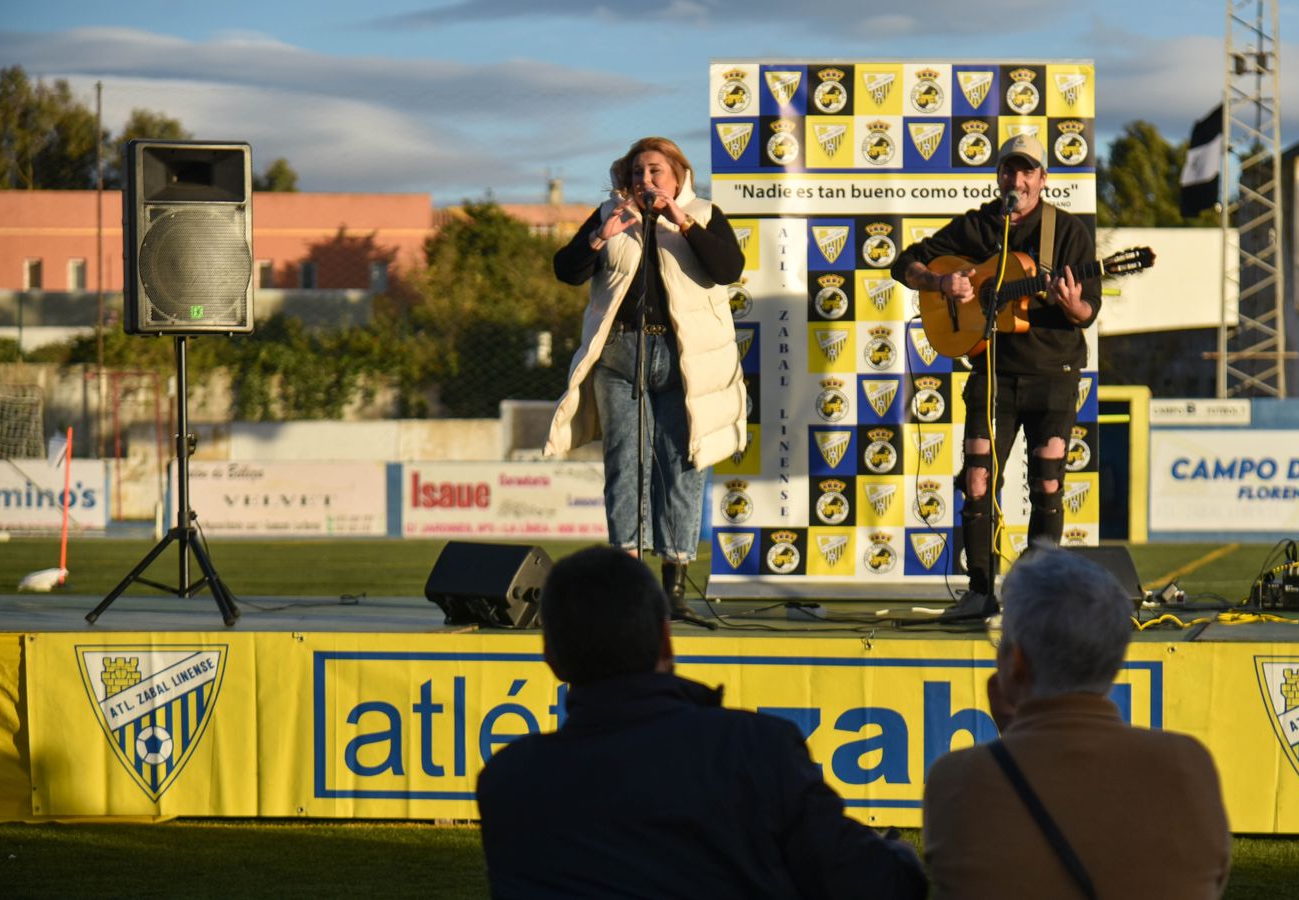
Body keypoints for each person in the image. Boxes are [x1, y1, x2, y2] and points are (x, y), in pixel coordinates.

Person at [476, 545, 928, 900]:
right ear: (667, 641)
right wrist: (899, 853)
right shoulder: (754, 750)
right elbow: (878, 885)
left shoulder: (507, 783)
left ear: (550, 660)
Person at [923, 544, 1231, 899]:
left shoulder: (956, 780)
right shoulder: (1187, 765)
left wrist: (1014, 739)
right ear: (1114, 657)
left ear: (1017, 662)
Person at [891, 134, 1099, 614]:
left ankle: (1040, 594)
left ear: (1043, 180)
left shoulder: (1066, 232)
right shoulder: (979, 226)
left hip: (1053, 372)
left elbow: (1088, 308)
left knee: (1047, 481)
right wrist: (940, 281)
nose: (1017, 180)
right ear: (999, 176)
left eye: (1028, 171)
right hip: (991, 373)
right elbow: (905, 262)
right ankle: (980, 590)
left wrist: (1073, 305)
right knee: (979, 478)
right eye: (1010, 170)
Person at [545, 137, 747, 616]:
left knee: (682, 464)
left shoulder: (703, 213)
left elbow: (728, 268)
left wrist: (682, 220)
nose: (645, 181)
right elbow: (566, 271)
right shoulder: (610, 215)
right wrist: (600, 236)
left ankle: (674, 589)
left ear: (678, 176)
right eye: (636, 172)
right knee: (625, 465)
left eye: (655, 171)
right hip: (621, 354)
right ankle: (629, 587)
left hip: (684, 358)